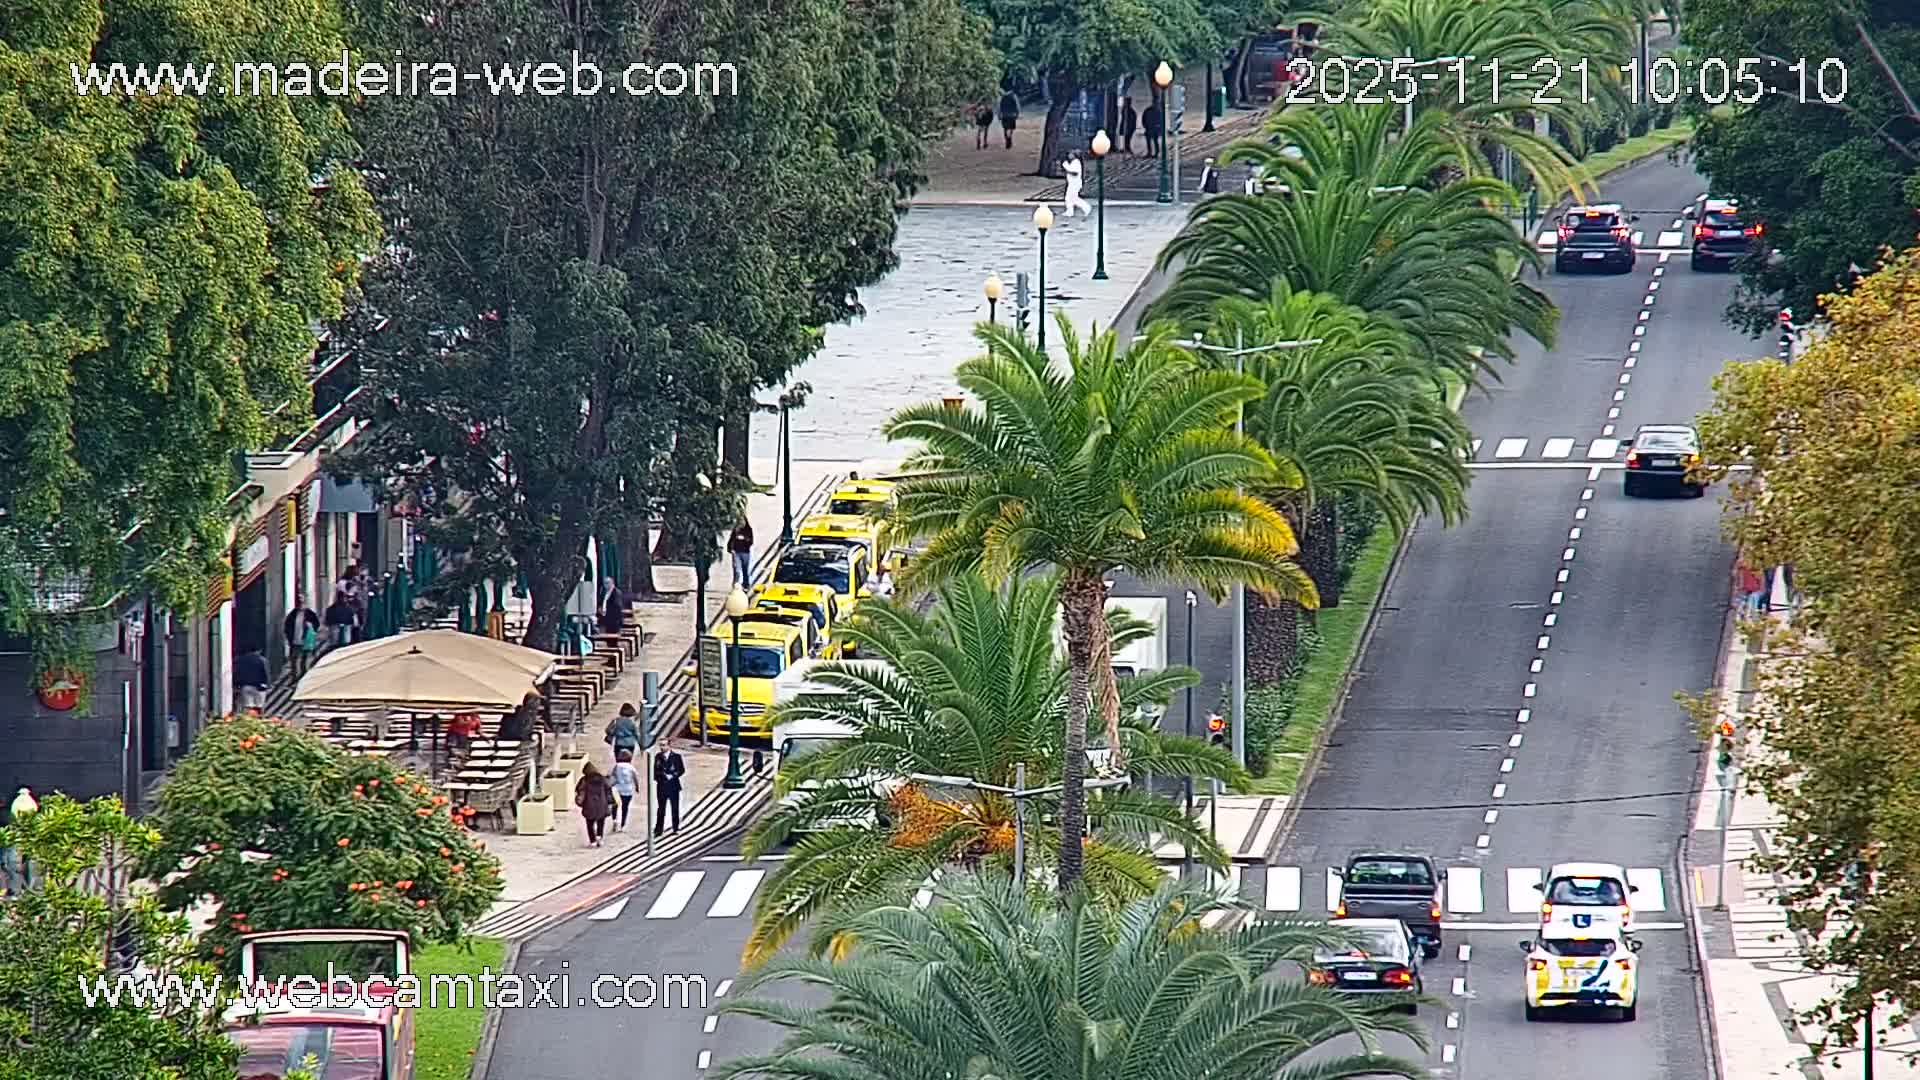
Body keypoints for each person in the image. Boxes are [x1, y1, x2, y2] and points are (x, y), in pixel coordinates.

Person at [575, 761, 615, 847]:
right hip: (602, 804)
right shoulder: (602, 779)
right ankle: (599, 838)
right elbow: (609, 787)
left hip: (589, 805)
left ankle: (592, 841)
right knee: (601, 822)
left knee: (589, 824)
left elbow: (579, 790)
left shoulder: (584, 780)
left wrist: (579, 801)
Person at [653, 742, 686, 835]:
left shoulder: (676, 757)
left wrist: (673, 775)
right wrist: (662, 776)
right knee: (661, 808)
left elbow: (681, 769)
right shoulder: (658, 757)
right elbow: (655, 770)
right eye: (661, 745)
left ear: (669, 746)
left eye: (664, 745)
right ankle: (659, 829)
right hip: (662, 786)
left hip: (673, 786)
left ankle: (676, 827)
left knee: (675, 807)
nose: (662, 747)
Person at [283, 601, 320, 678]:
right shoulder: (292, 614)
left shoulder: (310, 614)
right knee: (294, 659)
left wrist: (312, 632)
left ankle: (303, 674)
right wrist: (289, 637)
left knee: (304, 658)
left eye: (302, 604)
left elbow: (316, 624)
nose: (301, 606)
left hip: (306, 640)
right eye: (299, 604)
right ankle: (294, 675)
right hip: (295, 641)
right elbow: (287, 626)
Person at [609, 750, 639, 831]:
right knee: (625, 807)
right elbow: (635, 778)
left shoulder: (617, 766)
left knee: (615, 805)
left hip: (617, 788)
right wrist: (637, 787)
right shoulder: (631, 767)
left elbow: (611, 776)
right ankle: (623, 825)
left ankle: (615, 820)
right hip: (628, 789)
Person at [234, 648, 269, 714]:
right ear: (258, 651)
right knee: (259, 706)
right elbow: (264, 674)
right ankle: (259, 719)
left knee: (247, 705)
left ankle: (248, 719)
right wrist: (265, 684)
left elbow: (237, 672)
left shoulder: (240, 660)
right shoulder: (261, 660)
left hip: (245, 686)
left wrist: (236, 684)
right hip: (258, 686)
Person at [728, 520, 754, 585]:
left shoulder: (749, 530)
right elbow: (731, 539)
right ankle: (736, 583)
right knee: (736, 569)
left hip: (745, 552)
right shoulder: (736, 530)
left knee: (745, 569)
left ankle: (746, 583)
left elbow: (751, 541)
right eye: (740, 522)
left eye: (743, 522)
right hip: (736, 552)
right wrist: (730, 548)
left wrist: (744, 539)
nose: (741, 523)